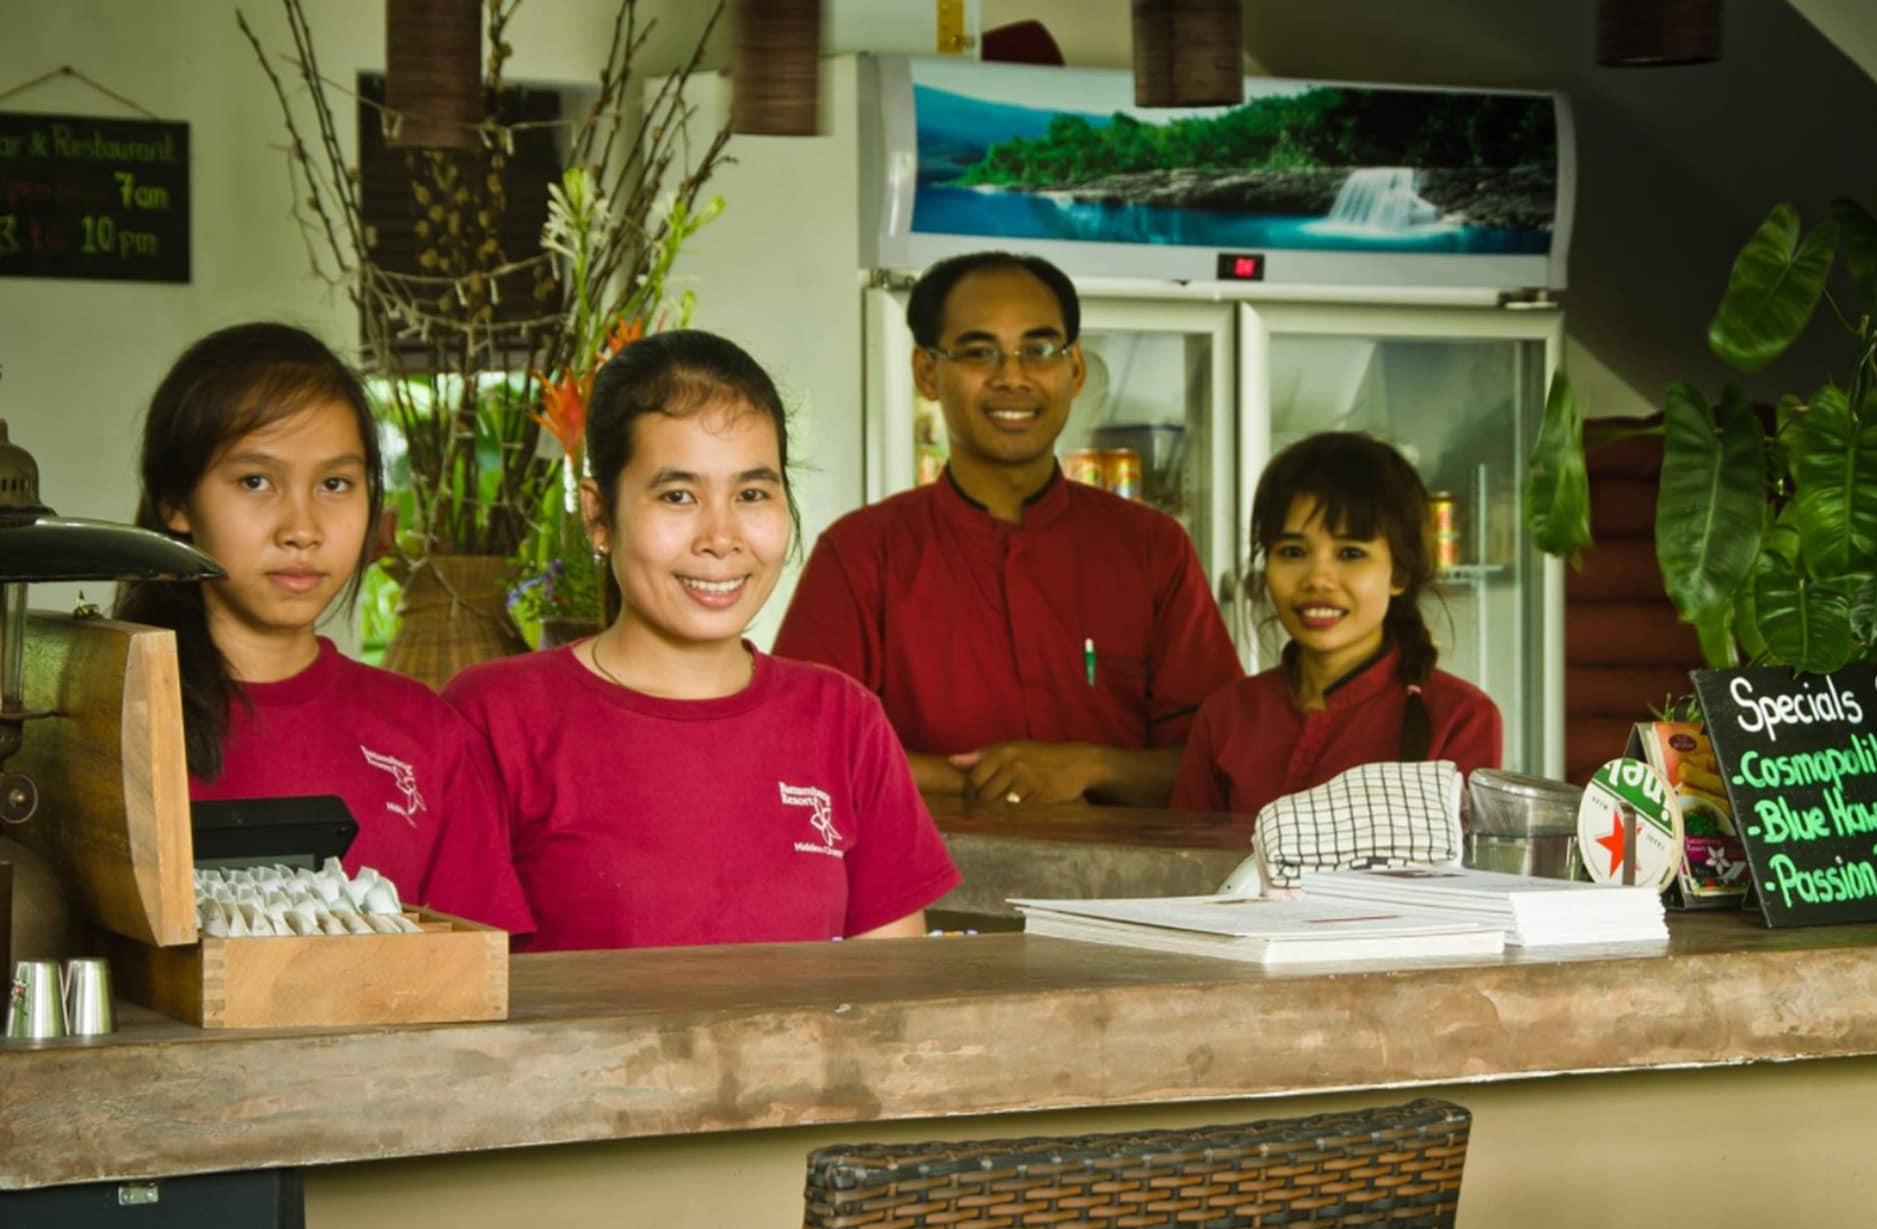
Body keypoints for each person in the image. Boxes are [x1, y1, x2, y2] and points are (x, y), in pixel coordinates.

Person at [444, 329, 960, 952]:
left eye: (751, 494)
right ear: (598, 515)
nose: (721, 536)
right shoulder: (497, 717)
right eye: (678, 495)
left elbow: (894, 991)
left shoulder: (844, 721)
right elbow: (454, 993)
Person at [774, 251, 1241, 806]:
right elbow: (797, 744)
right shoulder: (861, 554)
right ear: (927, 372)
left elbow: (1222, 756)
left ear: (1075, 370)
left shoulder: (1151, 548)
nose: (1012, 377)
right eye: (979, 352)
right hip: (922, 890)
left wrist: (1091, 766)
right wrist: (985, 780)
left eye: (1039, 350)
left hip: (1131, 889)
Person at [116, 322, 532, 932]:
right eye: (255, 481)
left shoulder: (427, 734)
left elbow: (478, 972)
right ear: (177, 502)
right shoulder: (109, 719)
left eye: (335, 484)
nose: (302, 528)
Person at [1170, 433, 1501, 815]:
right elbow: (1189, 867)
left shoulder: (1461, 718)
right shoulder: (1225, 718)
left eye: (1350, 553)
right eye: (1292, 552)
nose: (1318, 579)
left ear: (1400, 574)